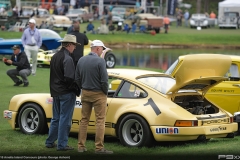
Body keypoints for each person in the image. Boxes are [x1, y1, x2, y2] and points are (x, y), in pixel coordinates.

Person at [75, 40, 113, 154]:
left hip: (85, 92)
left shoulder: (81, 60)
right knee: (100, 121)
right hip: (98, 94)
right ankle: (99, 148)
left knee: (84, 120)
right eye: (102, 49)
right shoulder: (100, 61)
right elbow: (104, 81)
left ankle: (80, 146)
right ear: (97, 49)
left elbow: (77, 78)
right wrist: (105, 92)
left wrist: (83, 87)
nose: (102, 51)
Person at [45, 34, 80, 151]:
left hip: (56, 92)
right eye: (74, 45)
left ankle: (50, 142)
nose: (75, 48)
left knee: (56, 118)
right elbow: (70, 78)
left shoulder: (55, 56)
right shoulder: (68, 58)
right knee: (65, 119)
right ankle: (62, 145)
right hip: (66, 93)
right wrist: (76, 89)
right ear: (69, 45)